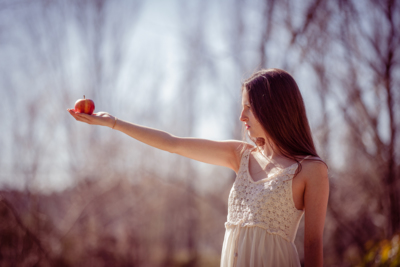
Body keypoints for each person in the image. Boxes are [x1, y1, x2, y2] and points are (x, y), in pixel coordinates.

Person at [67, 68, 329, 267]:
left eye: (249, 108)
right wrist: (113, 123)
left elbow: (314, 243)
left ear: (273, 108)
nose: (242, 117)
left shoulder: (311, 170)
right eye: (242, 108)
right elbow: (173, 143)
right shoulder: (240, 155)